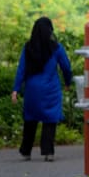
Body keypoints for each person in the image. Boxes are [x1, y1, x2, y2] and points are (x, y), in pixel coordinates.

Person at [11, 16, 73, 162]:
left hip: (32, 90)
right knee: (50, 119)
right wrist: (68, 82)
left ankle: (26, 151)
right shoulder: (57, 48)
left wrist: (16, 89)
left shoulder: (28, 48)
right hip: (50, 89)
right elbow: (66, 67)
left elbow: (21, 70)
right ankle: (48, 152)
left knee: (30, 119)